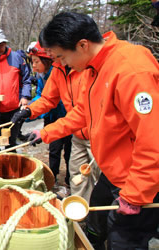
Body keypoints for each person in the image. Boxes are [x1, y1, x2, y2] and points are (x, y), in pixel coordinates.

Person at [26, 12, 159, 249]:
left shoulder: (131, 69)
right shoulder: (92, 69)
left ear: (82, 45)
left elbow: (153, 138)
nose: (62, 64)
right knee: (95, 223)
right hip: (114, 171)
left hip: (140, 179)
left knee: (124, 240)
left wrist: (136, 193)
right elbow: (83, 112)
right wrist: (45, 133)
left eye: (62, 57)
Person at [12, 37, 100, 202]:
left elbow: (82, 111)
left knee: (99, 177)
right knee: (77, 175)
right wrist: (29, 111)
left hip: (94, 132)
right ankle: (80, 215)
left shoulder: (86, 68)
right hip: (76, 132)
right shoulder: (58, 68)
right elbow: (47, 99)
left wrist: (45, 132)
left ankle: (98, 217)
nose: (52, 56)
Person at [20, 42, 72, 186]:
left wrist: (34, 112)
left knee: (70, 151)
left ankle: (69, 181)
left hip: (69, 119)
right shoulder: (41, 76)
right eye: (32, 62)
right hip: (51, 118)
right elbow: (41, 96)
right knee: (54, 149)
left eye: (36, 61)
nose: (34, 66)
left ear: (48, 59)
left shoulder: (59, 72)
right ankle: (52, 178)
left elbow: (54, 101)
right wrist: (28, 111)